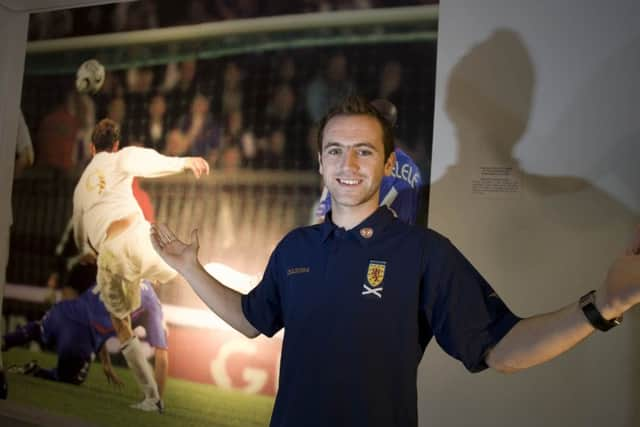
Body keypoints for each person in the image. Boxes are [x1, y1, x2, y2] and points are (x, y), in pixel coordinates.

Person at [149, 96, 640, 427]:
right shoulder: (295, 248)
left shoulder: (423, 252)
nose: (349, 164)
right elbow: (250, 321)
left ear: (388, 165)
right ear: (321, 163)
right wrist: (190, 267)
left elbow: (503, 350)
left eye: (365, 151)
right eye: (336, 151)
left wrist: (603, 307)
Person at [72, 118, 208, 412]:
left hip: (109, 253)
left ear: (92, 147)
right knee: (188, 272)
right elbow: (147, 160)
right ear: (116, 145)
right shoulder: (121, 157)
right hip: (137, 235)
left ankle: (152, 398)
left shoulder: (81, 185)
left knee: (121, 324)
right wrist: (185, 162)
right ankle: (244, 285)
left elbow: (78, 231)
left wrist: (84, 249)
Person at [3, 280, 168, 396]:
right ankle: (37, 372)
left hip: (61, 312)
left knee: (38, 329)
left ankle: (6, 341)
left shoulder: (118, 270)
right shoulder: (151, 303)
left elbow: (98, 313)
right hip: (78, 336)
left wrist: (105, 363)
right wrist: (157, 399)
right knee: (72, 378)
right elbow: (162, 357)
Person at [313, 99, 426, 225]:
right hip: (403, 237)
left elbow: (323, 219)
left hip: (364, 237)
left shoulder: (345, 171)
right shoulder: (412, 167)